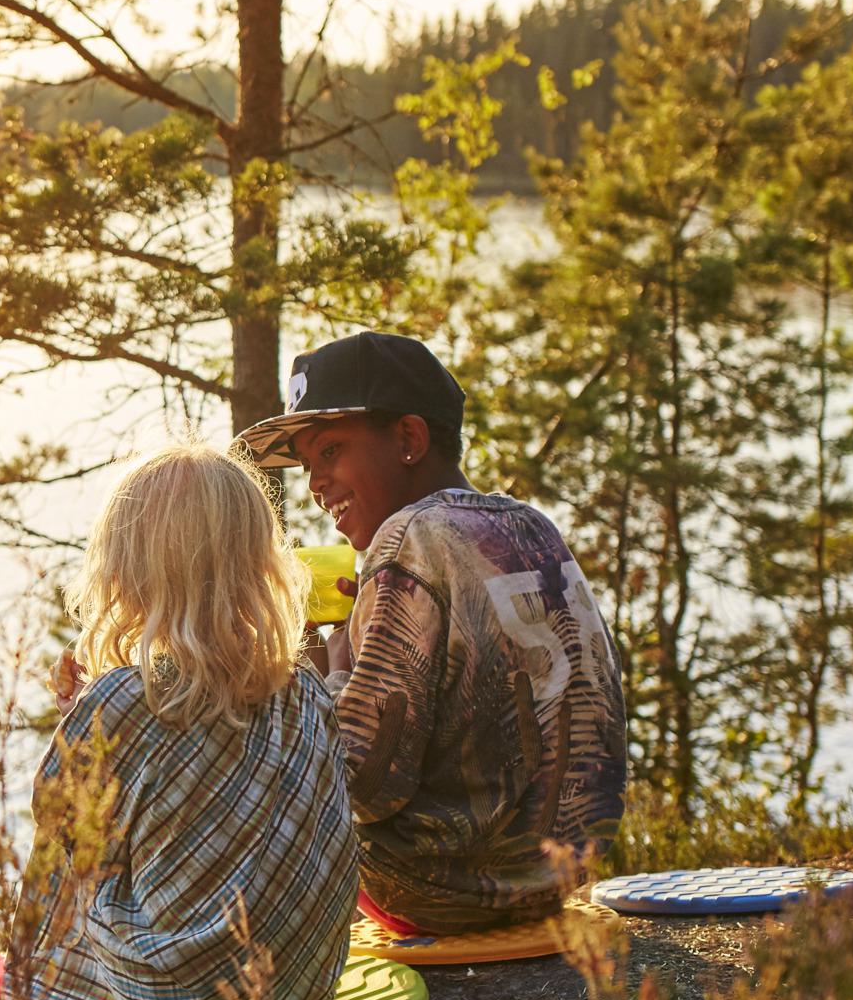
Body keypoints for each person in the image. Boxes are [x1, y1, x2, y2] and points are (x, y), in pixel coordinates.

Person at [238, 331, 625, 934]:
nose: (315, 483)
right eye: (309, 466)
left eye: (331, 451)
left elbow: (362, 784)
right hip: (558, 880)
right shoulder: (529, 525)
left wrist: (324, 669)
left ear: (410, 439)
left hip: (438, 892)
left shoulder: (408, 538)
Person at [9, 443, 356, 1000]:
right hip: (303, 982)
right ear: (260, 562)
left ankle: (33, 992)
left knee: (69, 844)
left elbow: (65, 826)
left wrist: (79, 718)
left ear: (124, 570)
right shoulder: (304, 690)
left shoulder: (122, 697)